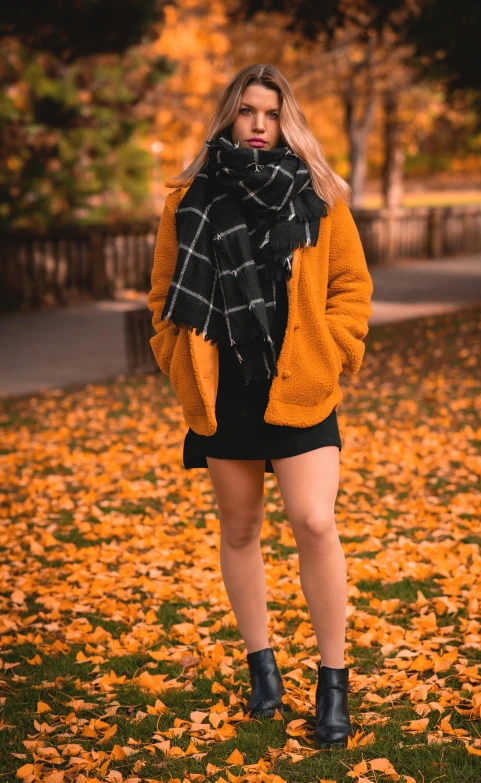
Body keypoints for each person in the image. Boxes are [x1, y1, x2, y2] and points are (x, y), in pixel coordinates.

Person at [148, 63, 373, 749]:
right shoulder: (190, 197)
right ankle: (263, 668)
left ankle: (332, 680)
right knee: (240, 528)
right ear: (229, 115)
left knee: (314, 519)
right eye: (246, 111)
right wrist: (176, 357)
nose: (257, 124)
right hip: (230, 389)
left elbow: (351, 287)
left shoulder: (321, 196)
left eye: (270, 114)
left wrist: (333, 348)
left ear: (286, 121)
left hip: (301, 380)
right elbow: (161, 297)